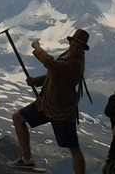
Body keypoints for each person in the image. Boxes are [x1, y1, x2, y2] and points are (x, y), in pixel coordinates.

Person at [7, 29, 90, 174]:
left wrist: (37, 48)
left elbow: (50, 64)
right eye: (73, 45)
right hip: (46, 104)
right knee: (18, 118)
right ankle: (27, 159)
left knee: (73, 147)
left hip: (62, 112)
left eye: (78, 47)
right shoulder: (67, 55)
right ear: (70, 43)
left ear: (83, 49)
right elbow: (54, 75)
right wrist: (36, 81)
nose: (74, 48)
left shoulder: (76, 64)